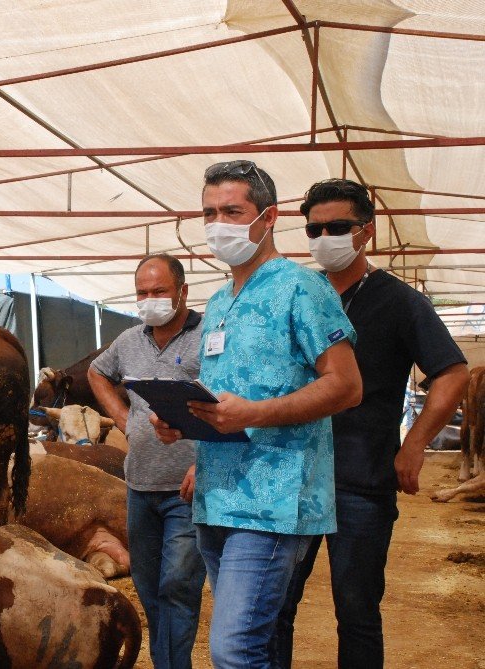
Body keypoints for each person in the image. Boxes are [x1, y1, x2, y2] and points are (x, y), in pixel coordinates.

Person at [151, 159, 363, 669]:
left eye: (232, 211)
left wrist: (257, 415)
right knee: (256, 645)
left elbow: (346, 385)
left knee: (234, 649)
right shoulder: (221, 300)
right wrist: (185, 424)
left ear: (268, 219)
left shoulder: (303, 289)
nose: (216, 225)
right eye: (208, 213)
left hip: (274, 500)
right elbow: (226, 397)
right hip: (216, 496)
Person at [272, 178, 470, 669]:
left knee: (357, 609)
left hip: (361, 481)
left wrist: (416, 443)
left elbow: (452, 372)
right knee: (274, 607)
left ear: (367, 233)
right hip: (290, 478)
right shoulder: (295, 293)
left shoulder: (399, 302)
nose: (324, 237)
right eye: (314, 228)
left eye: (338, 226)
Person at [88, 253, 207, 669]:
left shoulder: (208, 336)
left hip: (187, 489)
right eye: (142, 293)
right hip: (139, 486)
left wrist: (205, 458)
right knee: (148, 584)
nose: (149, 300)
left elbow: (229, 397)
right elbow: (97, 374)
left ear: (182, 292)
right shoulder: (129, 339)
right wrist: (122, 417)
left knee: (178, 584)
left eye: (159, 292)